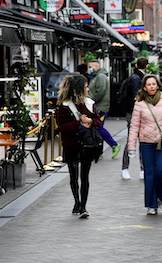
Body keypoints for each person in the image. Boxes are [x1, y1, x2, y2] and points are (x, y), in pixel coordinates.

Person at [127, 74, 162, 215]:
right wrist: (131, 146)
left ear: (158, 85)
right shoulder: (139, 103)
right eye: (148, 84)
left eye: (153, 84)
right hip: (146, 143)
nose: (151, 86)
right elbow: (134, 125)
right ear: (144, 87)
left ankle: (161, 198)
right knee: (149, 174)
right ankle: (151, 205)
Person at [56, 74, 101, 219]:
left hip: (87, 145)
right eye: (86, 87)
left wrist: (89, 120)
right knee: (73, 176)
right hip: (71, 144)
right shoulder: (64, 106)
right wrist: (79, 123)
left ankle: (83, 206)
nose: (88, 89)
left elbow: (97, 122)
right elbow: (61, 126)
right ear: (78, 89)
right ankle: (77, 201)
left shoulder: (90, 103)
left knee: (85, 176)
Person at [87, 60, 121, 159]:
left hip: (100, 107)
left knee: (99, 128)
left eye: (89, 66)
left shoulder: (100, 77)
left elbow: (100, 91)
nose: (88, 69)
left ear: (95, 66)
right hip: (98, 107)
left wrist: (92, 101)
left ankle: (114, 145)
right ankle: (98, 151)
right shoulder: (97, 76)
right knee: (96, 129)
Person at [121, 57, 148, 180]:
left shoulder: (134, 77)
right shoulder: (138, 79)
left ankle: (126, 168)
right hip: (135, 114)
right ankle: (136, 168)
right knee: (137, 140)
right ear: (146, 66)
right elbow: (136, 97)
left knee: (132, 140)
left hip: (132, 113)